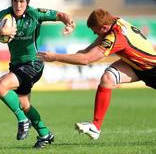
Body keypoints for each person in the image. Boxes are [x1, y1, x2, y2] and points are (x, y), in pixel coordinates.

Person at [37, 8, 156, 140]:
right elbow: (86, 52)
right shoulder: (114, 22)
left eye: (95, 30)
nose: (94, 33)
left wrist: (56, 57)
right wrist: (63, 56)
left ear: (104, 28)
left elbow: (86, 59)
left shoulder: (115, 37)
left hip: (152, 69)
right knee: (108, 78)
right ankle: (95, 127)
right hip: (136, 65)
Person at [0, 0, 75, 148]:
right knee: (24, 105)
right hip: (17, 66)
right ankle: (45, 134)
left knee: (0, 85)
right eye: (15, 1)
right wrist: (0, 30)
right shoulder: (5, 15)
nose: (18, 5)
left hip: (34, 63)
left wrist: (69, 22)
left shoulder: (35, 13)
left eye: (22, 1)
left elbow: (61, 15)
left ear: (27, 3)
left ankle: (23, 121)